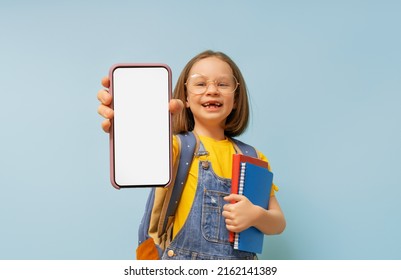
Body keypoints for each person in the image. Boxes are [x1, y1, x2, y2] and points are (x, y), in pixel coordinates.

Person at [97, 50, 286, 260]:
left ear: (236, 99)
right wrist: (126, 117)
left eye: (223, 84)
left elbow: (278, 222)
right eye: (200, 83)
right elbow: (140, 151)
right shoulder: (175, 147)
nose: (212, 90)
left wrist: (256, 215)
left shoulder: (254, 157)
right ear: (185, 97)